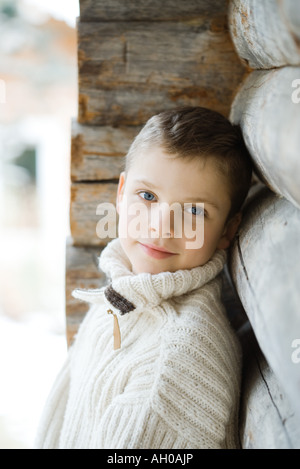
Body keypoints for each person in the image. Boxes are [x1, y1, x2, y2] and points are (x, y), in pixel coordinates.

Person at [35, 106, 253, 449]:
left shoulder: (177, 360)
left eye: (194, 211)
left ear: (228, 229)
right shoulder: (125, 294)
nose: (159, 227)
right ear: (121, 193)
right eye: (147, 196)